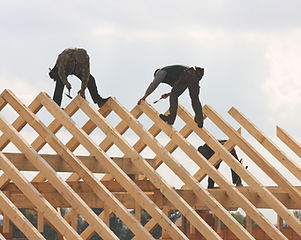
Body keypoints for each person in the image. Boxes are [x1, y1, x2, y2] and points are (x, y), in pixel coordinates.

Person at [138, 65, 204, 128]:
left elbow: (154, 84)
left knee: (174, 96)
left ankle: (171, 118)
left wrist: (144, 97)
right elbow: (179, 88)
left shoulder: (161, 72)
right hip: (194, 75)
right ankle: (199, 120)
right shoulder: (173, 73)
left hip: (187, 74)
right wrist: (168, 94)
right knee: (195, 98)